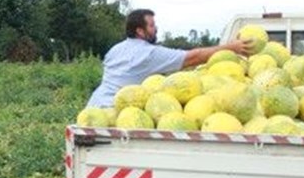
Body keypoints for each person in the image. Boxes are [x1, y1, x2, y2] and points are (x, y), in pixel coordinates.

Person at [87, 8, 255, 108]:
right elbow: (193, 57)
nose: (156, 29)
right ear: (140, 31)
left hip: (94, 106)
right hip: (115, 111)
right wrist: (231, 48)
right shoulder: (149, 54)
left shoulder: (115, 50)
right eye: (152, 25)